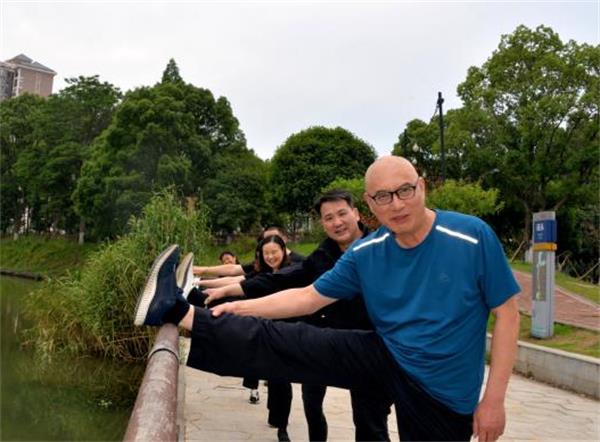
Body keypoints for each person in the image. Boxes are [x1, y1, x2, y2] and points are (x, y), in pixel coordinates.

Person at [134, 156, 520, 442]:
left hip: (442, 390)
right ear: (370, 204)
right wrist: (234, 307)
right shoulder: (367, 252)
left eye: (405, 191)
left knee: (374, 427)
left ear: (422, 187)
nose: (397, 204)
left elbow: (507, 315)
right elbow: (305, 298)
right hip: (387, 354)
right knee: (292, 341)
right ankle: (180, 311)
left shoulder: (472, 236)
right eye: (384, 197)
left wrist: (494, 401)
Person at [203, 189, 391, 442]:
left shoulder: (383, 246)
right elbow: (284, 279)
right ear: (322, 223)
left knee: (370, 423)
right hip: (329, 341)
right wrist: (230, 291)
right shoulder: (323, 255)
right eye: (329, 218)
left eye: (342, 214)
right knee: (312, 402)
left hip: (373, 345)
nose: (337, 222)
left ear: (356, 213)